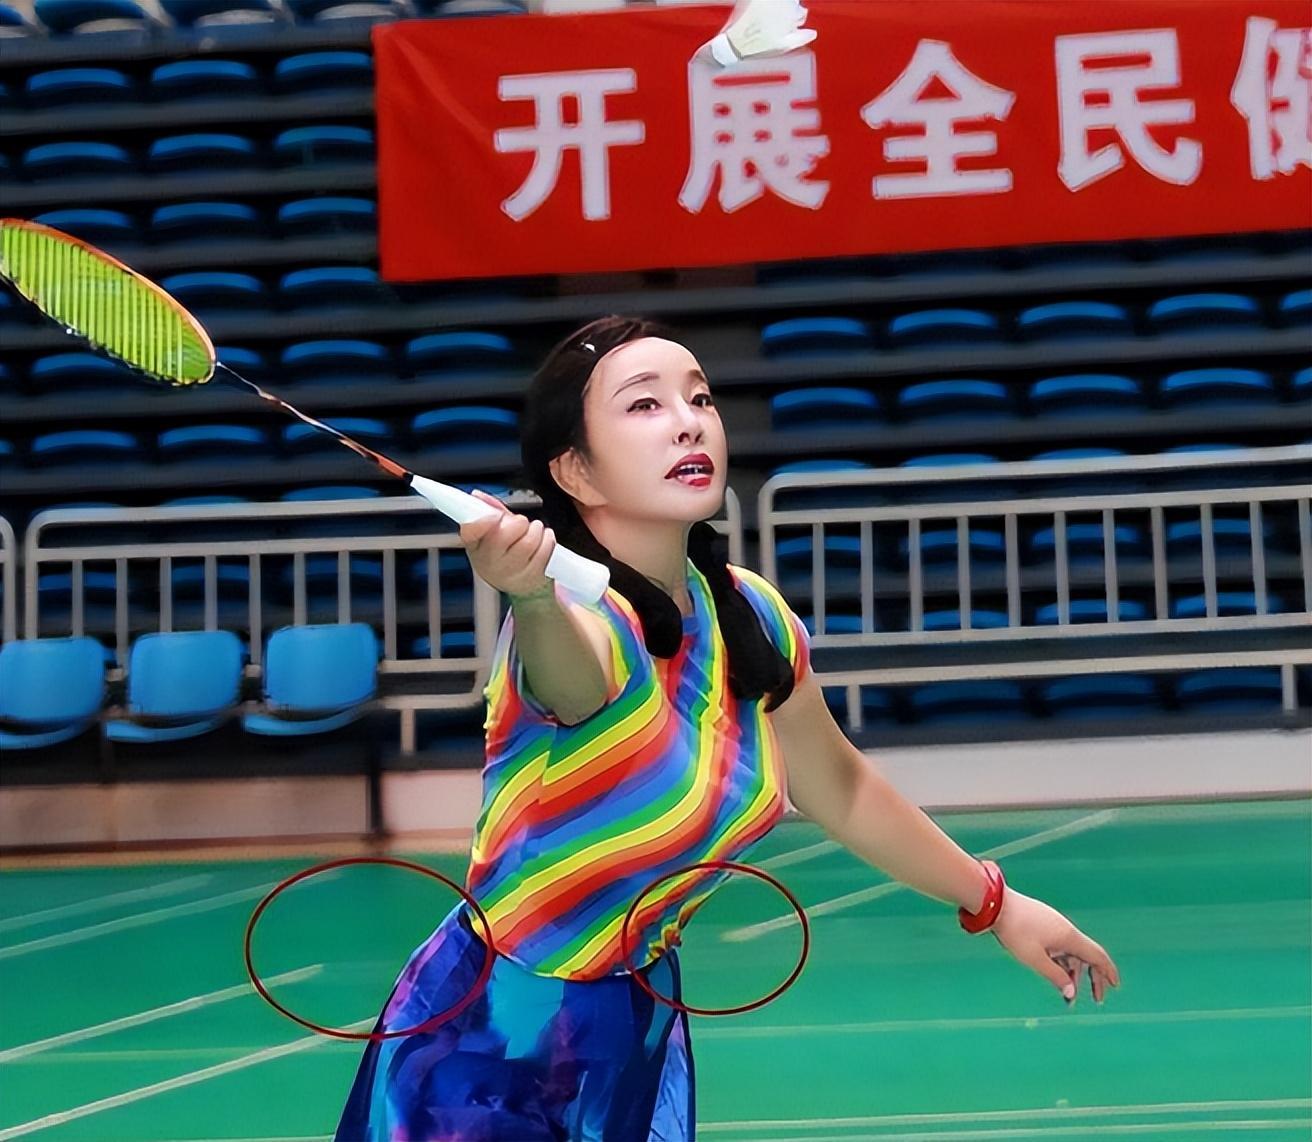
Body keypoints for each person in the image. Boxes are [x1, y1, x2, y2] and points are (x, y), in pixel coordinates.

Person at [335, 315, 1121, 1141]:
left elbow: (842, 787)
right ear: (575, 470)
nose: (688, 422)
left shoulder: (748, 616)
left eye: (700, 398)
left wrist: (996, 904)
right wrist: (529, 598)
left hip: (635, 1026)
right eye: (644, 405)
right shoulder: (577, 619)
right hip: (487, 1045)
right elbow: (572, 680)